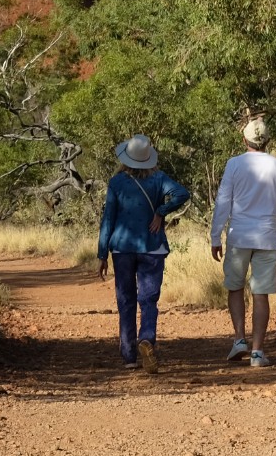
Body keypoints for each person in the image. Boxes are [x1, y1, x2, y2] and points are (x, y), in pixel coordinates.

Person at [96, 133, 192, 373]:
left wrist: (101, 253)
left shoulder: (116, 183)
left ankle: (129, 355)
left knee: (125, 299)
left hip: (122, 247)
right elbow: (182, 193)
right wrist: (161, 211)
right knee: (148, 299)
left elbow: (108, 219)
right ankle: (147, 338)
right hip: (152, 246)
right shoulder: (159, 178)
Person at [208, 115, 276, 367]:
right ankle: (257, 352)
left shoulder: (234, 164)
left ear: (244, 139)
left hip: (239, 236)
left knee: (235, 287)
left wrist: (216, 236)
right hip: (267, 237)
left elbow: (223, 202)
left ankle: (239, 339)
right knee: (261, 294)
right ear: (267, 140)